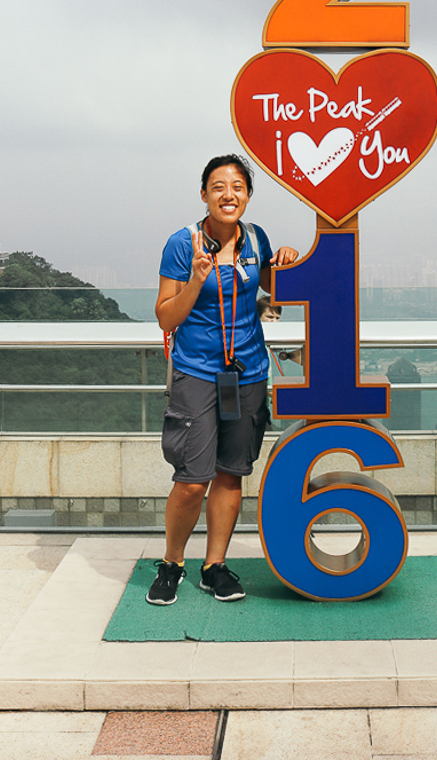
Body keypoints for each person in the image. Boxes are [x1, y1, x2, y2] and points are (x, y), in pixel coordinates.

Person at [147, 154, 298, 605]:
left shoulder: (256, 239)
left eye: (237, 187)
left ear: (248, 196)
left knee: (230, 474)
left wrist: (285, 261)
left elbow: (275, 294)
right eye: (218, 186)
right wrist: (196, 280)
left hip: (248, 372)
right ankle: (172, 563)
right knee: (193, 479)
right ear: (204, 194)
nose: (228, 195)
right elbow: (165, 317)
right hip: (196, 372)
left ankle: (215, 566)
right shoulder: (183, 242)